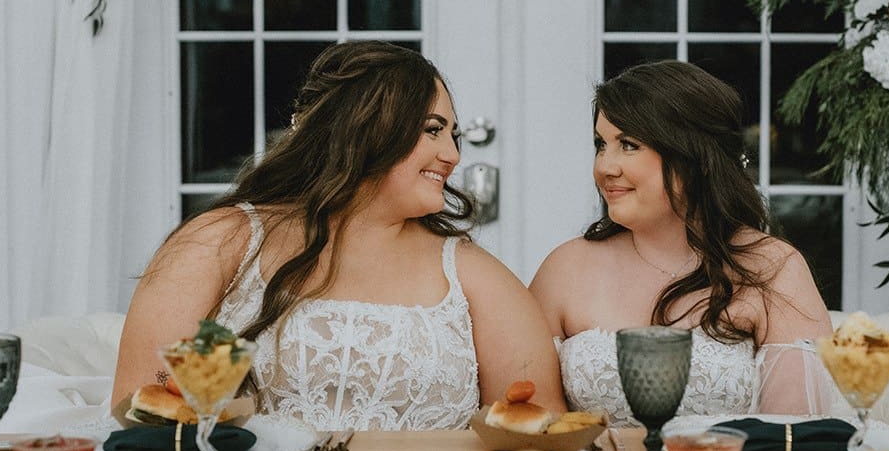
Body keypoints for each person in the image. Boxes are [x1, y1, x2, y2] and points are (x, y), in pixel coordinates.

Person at [112, 41, 564, 430]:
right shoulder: (220, 242)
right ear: (365, 128)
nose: (451, 155)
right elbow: (138, 409)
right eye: (432, 130)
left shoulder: (474, 275)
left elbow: (541, 426)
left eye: (453, 136)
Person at [531, 60, 846, 426]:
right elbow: (533, 423)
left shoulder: (773, 267)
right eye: (601, 145)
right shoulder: (566, 268)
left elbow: (795, 437)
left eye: (628, 145)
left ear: (694, 157)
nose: (605, 167)